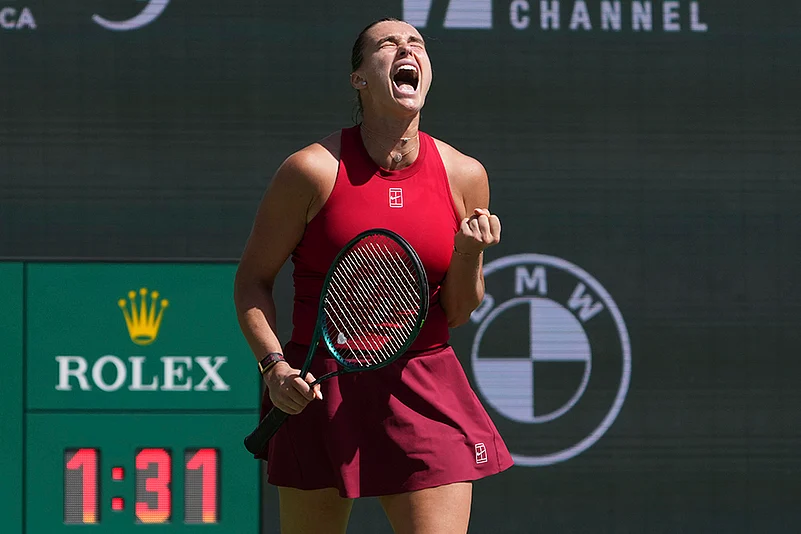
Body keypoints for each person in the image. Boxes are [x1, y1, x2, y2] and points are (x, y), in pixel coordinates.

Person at [234, 17, 513, 534]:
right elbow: (251, 281)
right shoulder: (311, 171)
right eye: (389, 44)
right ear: (360, 78)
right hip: (318, 385)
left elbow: (457, 310)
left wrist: (469, 254)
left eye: (418, 44)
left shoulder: (465, 175)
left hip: (425, 384)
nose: (408, 49)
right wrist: (273, 368)